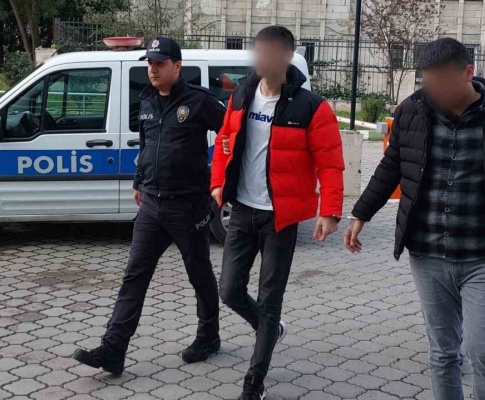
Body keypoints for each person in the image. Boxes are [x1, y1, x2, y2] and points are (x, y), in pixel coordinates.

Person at [344, 38, 485, 400]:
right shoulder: (412, 111)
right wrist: (361, 213)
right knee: (443, 353)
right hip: (428, 253)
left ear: (468, 73)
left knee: (484, 349)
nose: (436, 93)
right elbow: (392, 165)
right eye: (429, 84)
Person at [72, 37, 226, 375]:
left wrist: (220, 179)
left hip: (188, 206)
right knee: (134, 276)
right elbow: (146, 144)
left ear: (177, 66)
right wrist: (139, 181)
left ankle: (208, 336)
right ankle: (113, 349)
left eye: (160, 63)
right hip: (152, 206)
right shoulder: (146, 100)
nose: (153, 69)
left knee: (199, 273)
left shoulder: (200, 101)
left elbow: (231, 135)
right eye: (150, 64)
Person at [211, 26, 344, 400]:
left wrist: (330, 211)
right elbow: (223, 141)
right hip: (242, 210)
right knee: (230, 290)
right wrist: (218, 183)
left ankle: (254, 382)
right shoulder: (241, 95)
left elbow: (331, 164)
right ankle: (270, 330)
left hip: (280, 218)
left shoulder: (311, 107)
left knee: (270, 300)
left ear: (286, 57)